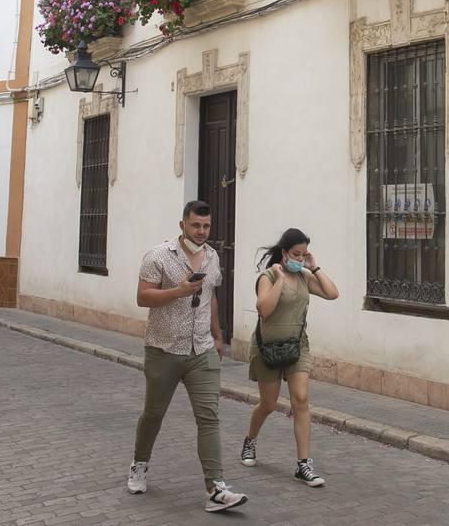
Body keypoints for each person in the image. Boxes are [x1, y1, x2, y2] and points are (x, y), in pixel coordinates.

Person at [127, 200, 247, 513]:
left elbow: (211, 297)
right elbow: (143, 296)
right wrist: (177, 291)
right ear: (182, 225)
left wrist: (219, 335)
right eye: (196, 225)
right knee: (153, 414)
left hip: (202, 350)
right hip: (163, 349)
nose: (201, 231)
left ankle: (216, 488)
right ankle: (139, 465)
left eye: (206, 226)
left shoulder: (212, 256)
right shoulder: (158, 256)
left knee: (209, 417)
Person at [239, 227, 339, 486]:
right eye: (296, 254)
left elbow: (332, 293)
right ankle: (250, 440)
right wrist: (280, 280)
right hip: (268, 349)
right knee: (269, 404)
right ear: (284, 253)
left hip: (297, 346)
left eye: (304, 255)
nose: (300, 259)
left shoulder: (305, 275)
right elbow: (264, 309)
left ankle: (303, 465)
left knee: (301, 400)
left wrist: (315, 267)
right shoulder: (268, 277)